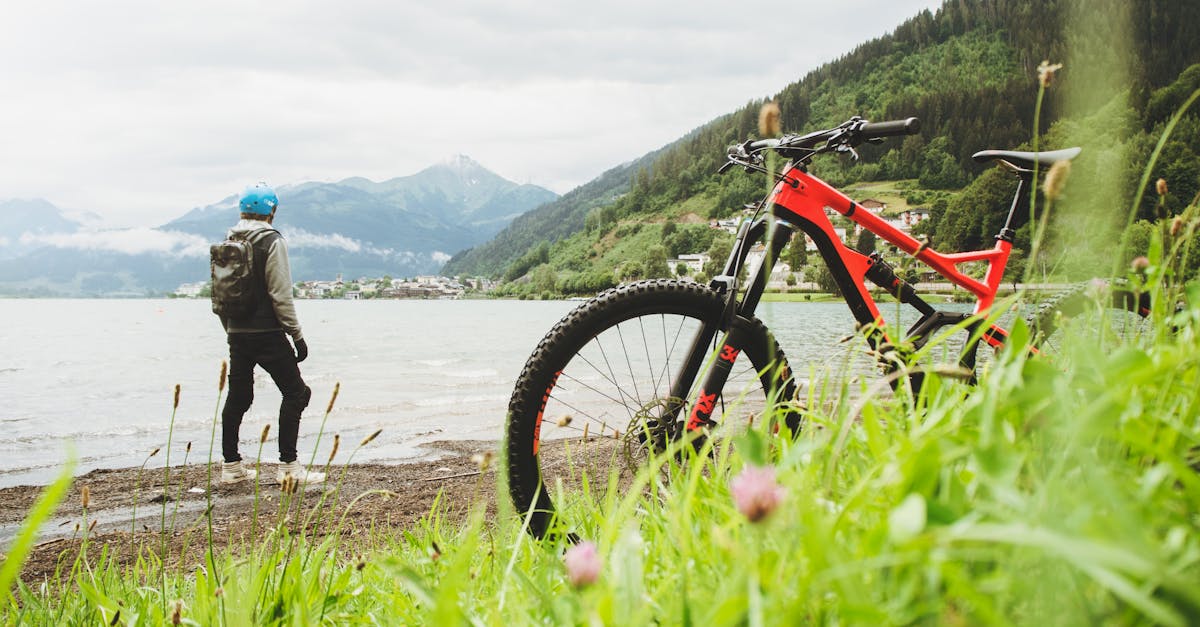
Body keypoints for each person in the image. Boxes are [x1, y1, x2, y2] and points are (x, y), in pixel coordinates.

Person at [217, 182, 325, 486]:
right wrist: (297, 335)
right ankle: (288, 466)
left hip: (236, 331)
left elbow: (221, 293)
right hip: (267, 332)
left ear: (241, 209)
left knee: (239, 396)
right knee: (297, 394)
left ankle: (231, 466)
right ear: (272, 211)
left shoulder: (228, 240)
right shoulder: (271, 241)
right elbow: (280, 294)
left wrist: (231, 329)